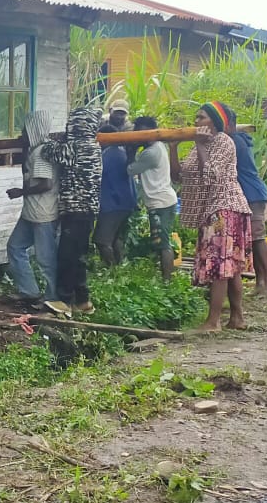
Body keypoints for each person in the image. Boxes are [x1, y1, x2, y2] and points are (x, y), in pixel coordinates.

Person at [180, 102, 253, 331]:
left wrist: (200, 146)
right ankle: (237, 318)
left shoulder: (223, 142)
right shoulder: (198, 145)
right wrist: (174, 148)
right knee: (229, 268)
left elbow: (211, 176)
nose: (196, 122)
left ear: (215, 121)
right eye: (196, 118)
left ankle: (213, 321)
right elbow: (180, 174)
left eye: (201, 117)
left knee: (221, 267)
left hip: (224, 209)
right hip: (213, 210)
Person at [43, 107, 103, 314]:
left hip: (76, 211)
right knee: (77, 256)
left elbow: (48, 151)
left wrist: (51, 139)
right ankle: (83, 301)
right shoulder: (93, 146)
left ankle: (64, 300)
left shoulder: (76, 147)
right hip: (87, 211)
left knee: (67, 256)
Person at [5, 110, 59, 305]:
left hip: (43, 214)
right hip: (32, 213)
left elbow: (46, 184)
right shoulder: (34, 150)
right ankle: (29, 291)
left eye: (26, 130)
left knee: (46, 259)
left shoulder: (42, 153)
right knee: (15, 247)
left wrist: (21, 192)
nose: (22, 134)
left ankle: (52, 298)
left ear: (35, 130)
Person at [225, 107, 267, 295]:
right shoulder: (236, 139)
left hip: (252, 194)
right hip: (247, 194)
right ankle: (260, 282)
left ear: (231, 124)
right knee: (253, 240)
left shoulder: (235, 142)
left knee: (258, 238)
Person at [127, 116, 178, 281]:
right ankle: (165, 277)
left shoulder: (150, 153)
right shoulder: (159, 146)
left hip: (160, 202)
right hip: (163, 200)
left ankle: (167, 282)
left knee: (163, 243)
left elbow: (130, 170)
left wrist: (131, 149)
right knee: (160, 240)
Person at [93, 125, 137, 266]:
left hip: (113, 203)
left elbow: (95, 174)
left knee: (102, 241)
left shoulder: (109, 154)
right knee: (114, 238)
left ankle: (112, 270)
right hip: (124, 203)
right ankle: (119, 267)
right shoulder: (120, 152)